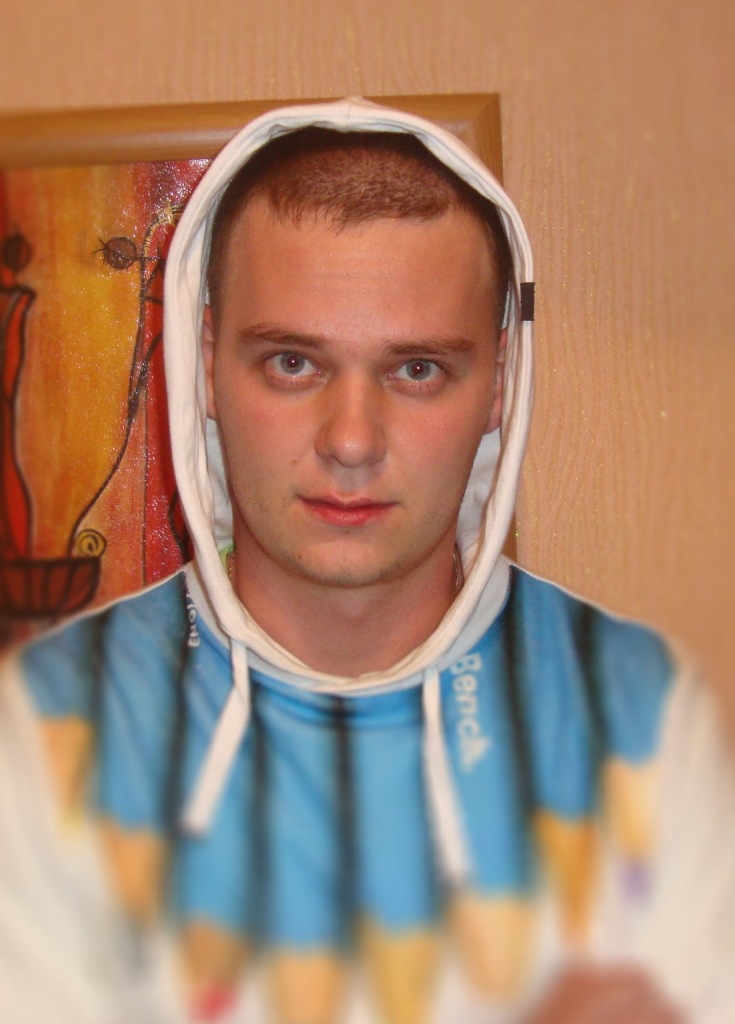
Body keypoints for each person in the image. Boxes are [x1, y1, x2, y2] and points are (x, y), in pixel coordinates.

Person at [0, 98, 732, 1024]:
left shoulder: (635, 712)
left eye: (416, 369)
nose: (350, 441)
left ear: (499, 381)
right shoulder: (47, 726)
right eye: (292, 363)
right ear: (206, 361)